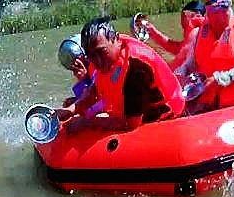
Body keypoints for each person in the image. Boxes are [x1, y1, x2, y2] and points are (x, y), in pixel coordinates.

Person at [54, 17, 184, 134]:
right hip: (131, 108)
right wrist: (71, 110)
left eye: (102, 52)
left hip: (165, 116)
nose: (98, 61)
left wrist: (87, 123)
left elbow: (130, 124)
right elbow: (94, 91)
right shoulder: (99, 56)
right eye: (91, 55)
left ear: (116, 39)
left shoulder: (136, 69)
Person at [137, 0, 206, 71]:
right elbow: (177, 48)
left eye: (183, 16)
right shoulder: (199, 32)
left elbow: (179, 63)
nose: (181, 22)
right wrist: (153, 32)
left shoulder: (195, 32)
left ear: (190, 15)